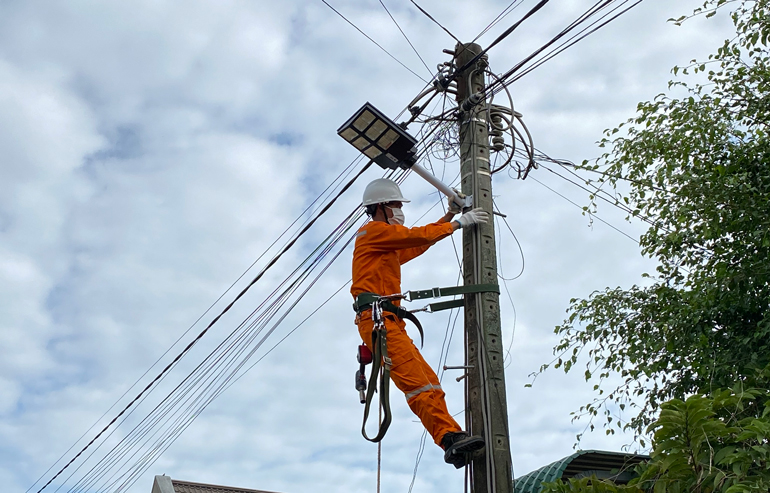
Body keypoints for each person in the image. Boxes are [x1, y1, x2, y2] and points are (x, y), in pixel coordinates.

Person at [351, 177, 489, 468]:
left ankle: (452, 438)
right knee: (418, 384)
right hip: (377, 321)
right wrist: (457, 224)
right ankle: (448, 437)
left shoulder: (383, 243)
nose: (400, 211)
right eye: (396, 205)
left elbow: (415, 247)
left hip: (388, 319)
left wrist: (450, 217)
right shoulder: (372, 231)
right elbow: (417, 237)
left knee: (428, 383)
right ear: (380, 207)